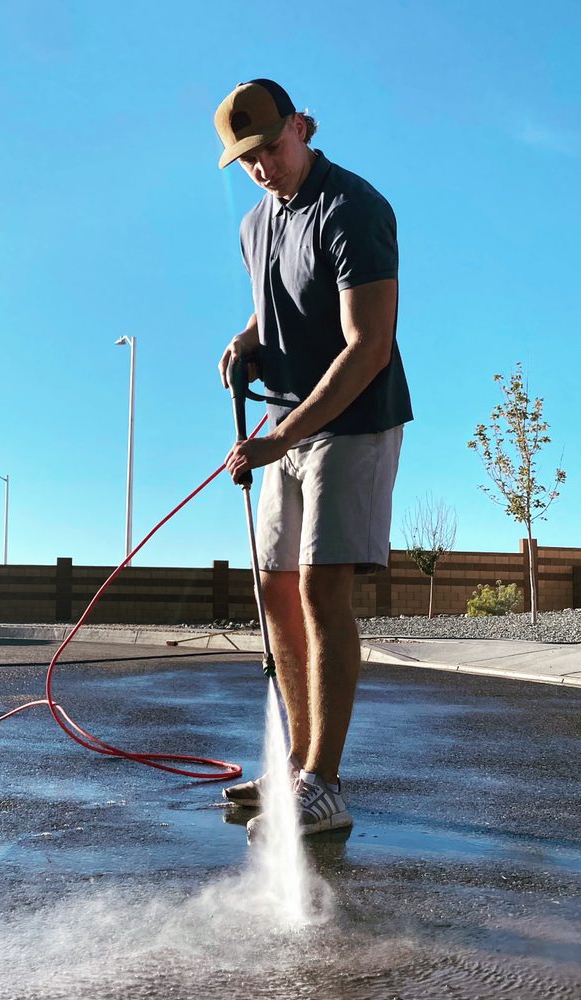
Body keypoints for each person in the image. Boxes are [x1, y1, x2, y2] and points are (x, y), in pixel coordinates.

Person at [212, 79, 413, 835]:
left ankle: (324, 786)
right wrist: (247, 342)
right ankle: (297, 764)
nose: (262, 167)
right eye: (247, 160)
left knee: (325, 592)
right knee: (276, 591)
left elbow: (368, 347)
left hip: (353, 421)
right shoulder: (255, 224)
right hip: (285, 423)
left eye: (270, 148)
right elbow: (274, 311)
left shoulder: (354, 207)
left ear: (302, 126)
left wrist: (285, 436)